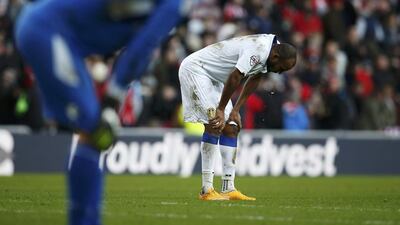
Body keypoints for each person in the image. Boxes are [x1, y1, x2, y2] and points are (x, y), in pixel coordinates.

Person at [15, 0, 191, 224]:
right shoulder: (175, 4)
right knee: (93, 130)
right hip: (48, 32)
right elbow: (142, 48)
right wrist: (114, 95)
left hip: (53, 34)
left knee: (94, 133)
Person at [179, 34, 296, 200]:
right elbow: (236, 76)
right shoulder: (260, 49)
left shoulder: (271, 51)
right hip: (197, 70)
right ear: (275, 56)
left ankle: (228, 188)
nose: (279, 72)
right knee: (215, 123)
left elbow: (255, 77)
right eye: (281, 68)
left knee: (231, 127)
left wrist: (236, 110)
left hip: (216, 78)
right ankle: (207, 190)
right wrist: (220, 109)